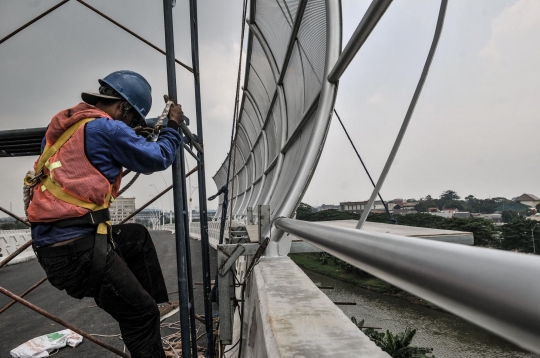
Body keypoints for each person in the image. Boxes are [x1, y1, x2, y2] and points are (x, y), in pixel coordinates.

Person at [26, 70, 183, 358]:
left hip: (54, 250)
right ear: (123, 108)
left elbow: (88, 158)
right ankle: (147, 311)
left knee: (135, 237)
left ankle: (154, 303)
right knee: (141, 316)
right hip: (79, 253)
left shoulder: (64, 126)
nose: (132, 124)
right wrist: (172, 126)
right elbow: (158, 157)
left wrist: (131, 135)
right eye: (133, 119)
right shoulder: (109, 129)